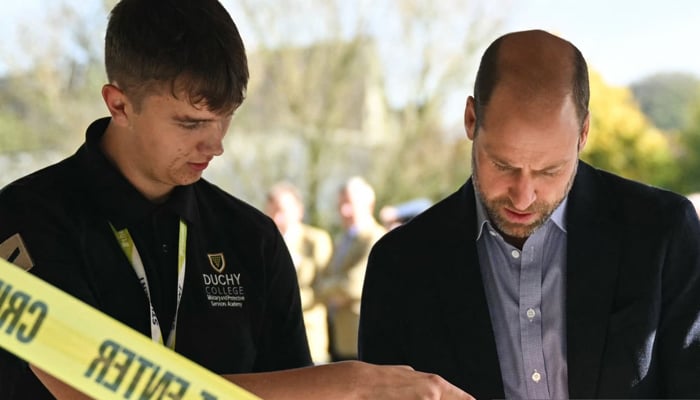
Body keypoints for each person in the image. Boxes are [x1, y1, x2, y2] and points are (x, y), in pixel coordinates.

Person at [0, 1, 475, 399]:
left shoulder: (252, 236)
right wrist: (347, 381)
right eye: (190, 123)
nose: (216, 144)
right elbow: (98, 388)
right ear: (118, 103)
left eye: (226, 117)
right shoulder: (23, 218)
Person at [359, 29, 700, 399]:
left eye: (549, 171)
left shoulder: (662, 232)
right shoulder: (400, 265)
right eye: (502, 165)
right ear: (471, 120)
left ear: (583, 133)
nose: (523, 197)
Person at [316, 176, 386, 361]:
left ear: (369, 204)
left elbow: (353, 285)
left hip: (362, 335)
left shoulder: (376, 238)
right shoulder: (342, 241)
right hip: (341, 338)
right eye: (340, 204)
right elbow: (326, 279)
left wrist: (325, 290)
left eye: (349, 203)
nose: (344, 211)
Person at [265, 181, 333, 364]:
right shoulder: (263, 242)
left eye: (282, 211)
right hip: (270, 341)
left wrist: (282, 303)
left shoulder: (316, 241)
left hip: (309, 337)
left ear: (299, 210)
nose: (277, 218)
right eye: (272, 211)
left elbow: (324, 288)